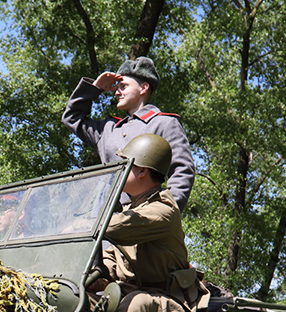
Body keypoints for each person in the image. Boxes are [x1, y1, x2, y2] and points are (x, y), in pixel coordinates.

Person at [90, 133, 207, 312]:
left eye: (126, 164)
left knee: (139, 302)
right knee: (74, 299)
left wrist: (79, 226)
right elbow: (113, 266)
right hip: (125, 302)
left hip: (169, 311)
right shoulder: (129, 209)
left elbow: (117, 226)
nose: (120, 170)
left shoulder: (163, 210)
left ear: (142, 170)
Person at [62, 56, 195, 211]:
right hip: (104, 220)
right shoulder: (107, 129)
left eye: (123, 86)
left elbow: (182, 169)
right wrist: (95, 87)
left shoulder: (164, 123)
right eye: (116, 87)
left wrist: (168, 209)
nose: (117, 92)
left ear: (143, 88)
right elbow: (71, 118)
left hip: (143, 219)